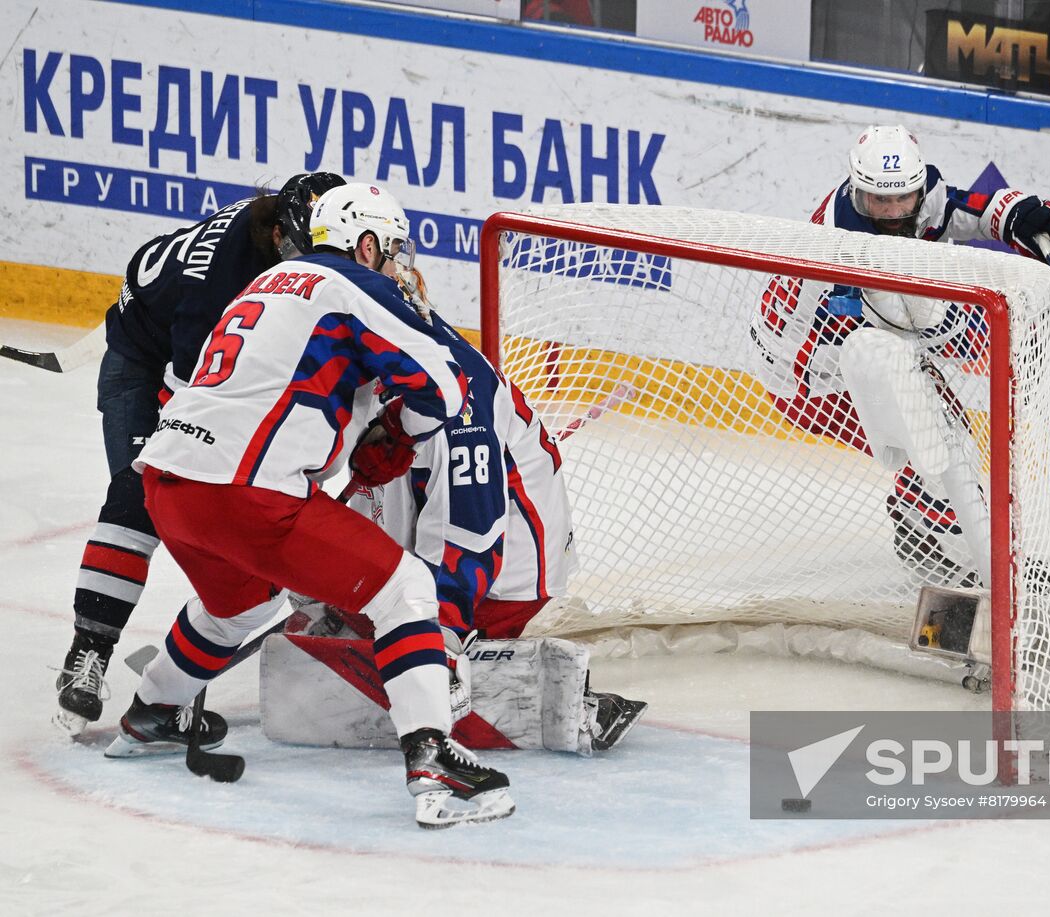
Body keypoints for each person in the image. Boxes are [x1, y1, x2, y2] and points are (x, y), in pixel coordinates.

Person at [105, 182, 515, 828]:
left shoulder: (261, 287)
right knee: (405, 587)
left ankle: (149, 713)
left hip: (168, 479)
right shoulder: (352, 285)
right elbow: (445, 383)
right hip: (246, 490)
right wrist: (401, 430)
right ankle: (433, 760)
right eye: (394, 251)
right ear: (368, 243)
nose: (399, 268)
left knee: (239, 606)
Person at [53, 172, 346, 737]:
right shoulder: (221, 279)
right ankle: (87, 652)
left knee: (232, 500)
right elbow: (197, 404)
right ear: (278, 233)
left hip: (199, 354)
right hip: (145, 367)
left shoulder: (285, 239)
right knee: (146, 492)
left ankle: (186, 669)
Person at [325, 277, 647, 753]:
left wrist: (439, 636)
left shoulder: (453, 398)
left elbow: (472, 533)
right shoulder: (390, 365)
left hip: (504, 574)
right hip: (452, 530)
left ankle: (500, 667)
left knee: (386, 619)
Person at [750, 124, 1050, 585]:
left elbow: (960, 211)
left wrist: (1014, 212)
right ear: (859, 193)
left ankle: (930, 531)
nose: (894, 213)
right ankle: (965, 562)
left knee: (942, 426)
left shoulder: (912, 196)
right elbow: (942, 333)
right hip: (809, 374)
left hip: (857, 350)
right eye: (880, 201)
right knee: (935, 439)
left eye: (903, 199)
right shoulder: (851, 248)